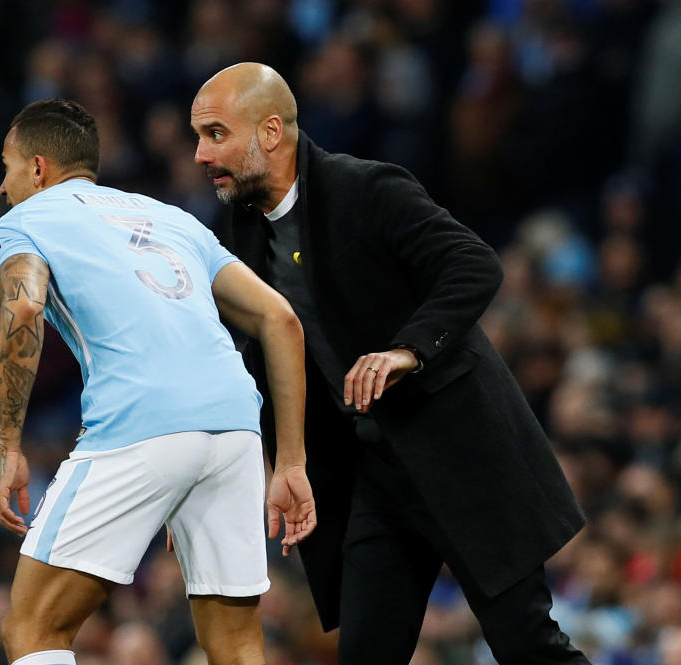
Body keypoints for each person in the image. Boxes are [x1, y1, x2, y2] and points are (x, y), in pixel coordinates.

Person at [191, 63, 591, 665]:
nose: (200, 154)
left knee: (527, 645)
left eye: (216, 133)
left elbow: (473, 263)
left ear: (270, 132)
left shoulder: (366, 188)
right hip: (374, 475)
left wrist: (408, 350)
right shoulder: (246, 228)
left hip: (461, 460)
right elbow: (252, 358)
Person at [0, 99, 316, 665]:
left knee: (34, 627)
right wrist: (290, 462)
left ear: (38, 169)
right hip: (235, 428)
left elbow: (22, 309)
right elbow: (279, 318)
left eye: (8, 168)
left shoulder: (21, 223)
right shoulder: (169, 218)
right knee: (236, 643)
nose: (1, 187)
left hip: (139, 424)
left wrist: (9, 446)